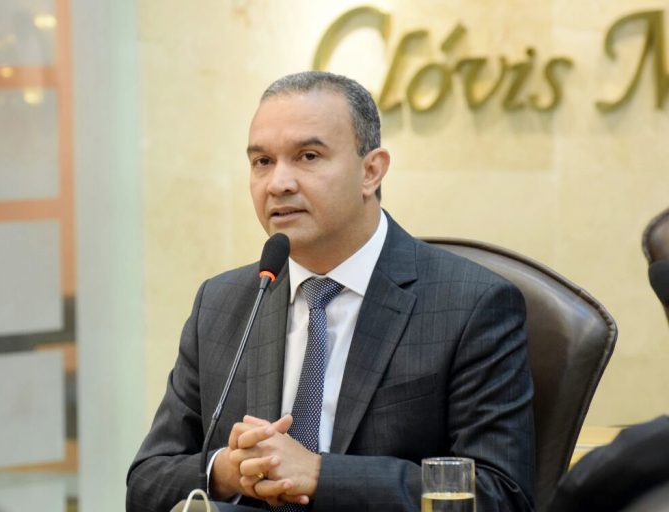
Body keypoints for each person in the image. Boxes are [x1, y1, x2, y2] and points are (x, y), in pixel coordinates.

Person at [126, 71, 535, 511]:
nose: (278, 183)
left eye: (308, 156)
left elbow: (498, 495)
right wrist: (226, 470)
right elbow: (146, 483)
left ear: (371, 171)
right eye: (262, 162)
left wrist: (321, 475)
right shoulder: (223, 303)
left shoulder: (470, 305)